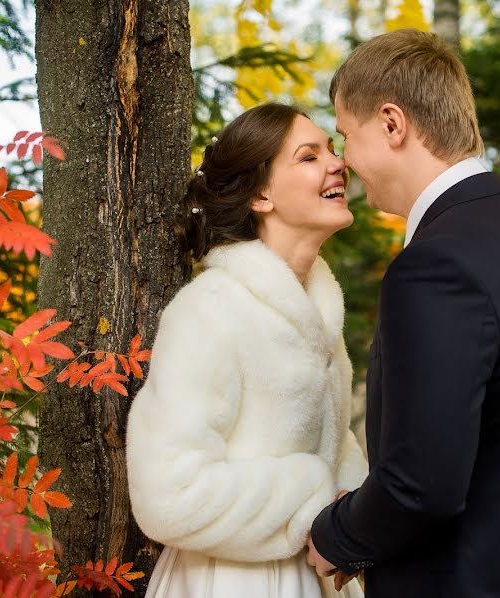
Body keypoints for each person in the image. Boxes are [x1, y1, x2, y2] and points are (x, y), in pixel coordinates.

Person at [306, 29, 500, 597]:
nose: (345, 163)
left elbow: (423, 483)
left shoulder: (438, 264)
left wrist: (338, 535)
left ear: (393, 124)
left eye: (347, 135)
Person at [126, 103, 368, 598]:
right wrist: (311, 499)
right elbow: (166, 493)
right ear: (261, 194)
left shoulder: (320, 309)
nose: (336, 163)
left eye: (332, 148)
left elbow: (335, 443)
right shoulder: (209, 311)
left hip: (318, 574)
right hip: (230, 582)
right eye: (308, 156)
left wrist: (354, 517)